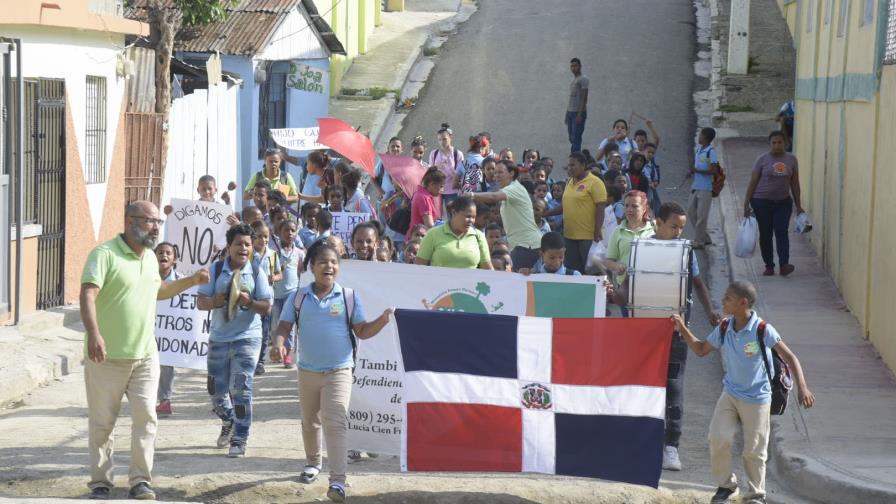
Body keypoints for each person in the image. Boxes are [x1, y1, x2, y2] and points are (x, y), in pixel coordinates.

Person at [80, 201, 208, 500]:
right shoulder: (104, 254)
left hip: (145, 356)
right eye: (149, 221)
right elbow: (88, 293)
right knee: (102, 424)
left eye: (158, 222)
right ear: (129, 221)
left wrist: (191, 281)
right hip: (106, 357)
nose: (155, 227)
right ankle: (101, 481)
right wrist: (93, 333)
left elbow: (158, 291)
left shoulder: (150, 258)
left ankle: (140, 480)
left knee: (147, 417)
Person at [271, 241, 393, 503]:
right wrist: (278, 344)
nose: (329, 266)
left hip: (340, 370)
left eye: (334, 262)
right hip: (308, 371)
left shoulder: (348, 297)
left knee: (335, 422)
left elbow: (362, 331)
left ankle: (338, 481)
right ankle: (312, 463)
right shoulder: (299, 296)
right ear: (311, 267)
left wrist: (382, 321)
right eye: (323, 262)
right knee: (310, 421)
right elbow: (283, 327)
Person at [672, 280, 815, 504]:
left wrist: (803, 387)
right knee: (718, 437)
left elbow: (790, 357)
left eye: (728, 298)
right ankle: (726, 487)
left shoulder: (762, 330)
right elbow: (700, 349)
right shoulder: (724, 327)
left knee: (754, 450)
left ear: (742, 302)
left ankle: (755, 494)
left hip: (758, 398)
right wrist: (683, 329)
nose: (723, 301)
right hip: (730, 393)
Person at [651, 202, 722, 471]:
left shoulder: (685, 251)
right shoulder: (642, 248)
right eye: (674, 226)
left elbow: (697, 283)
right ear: (658, 223)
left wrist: (711, 310)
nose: (679, 232)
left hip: (677, 333)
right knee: (646, 389)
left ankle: (671, 447)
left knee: (674, 388)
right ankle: (647, 442)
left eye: (682, 227)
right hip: (645, 335)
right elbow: (627, 290)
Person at [196, 224, 272, 458]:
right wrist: (218, 300)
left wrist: (248, 302)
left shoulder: (258, 271)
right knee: (216, 391)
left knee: (241, 388)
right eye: (239, 244)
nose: (244, 248)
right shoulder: (216, 269)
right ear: (229, 247)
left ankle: (240, 437)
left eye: (248, 244)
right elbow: (201, 302)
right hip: (219, 337)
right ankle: (228, 419)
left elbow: (267, 308)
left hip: (247, 338)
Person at [743, 131, 804, 277]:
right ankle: (769, 266)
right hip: (761, 202)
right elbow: (753, 182)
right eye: (774, 143)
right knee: (766, 234)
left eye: (780, 142)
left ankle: (784, 265)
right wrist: (746, 204)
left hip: (783, 203)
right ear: (770, 144)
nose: (777, 145)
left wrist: (799, 205)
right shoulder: (762, 160)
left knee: (782, 232)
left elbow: (795, 183)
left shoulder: (792, 160)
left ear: (785, 143)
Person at [468, 160, 543, 270]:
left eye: (500, 172)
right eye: (495, 173)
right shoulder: (510, 190)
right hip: (520, 245)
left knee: (519, 283)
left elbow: (494, 197)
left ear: (512, 173)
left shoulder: (514, 188)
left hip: (527, 245)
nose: (496, 176)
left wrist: (471, 195)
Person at [541, 152, 608, 273]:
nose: (570, 168)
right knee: (574, 272)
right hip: (569, 236)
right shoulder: (570, 182)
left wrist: (597, 231)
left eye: (573, 165)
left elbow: (601, 208)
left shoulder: (595, 182)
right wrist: (545, 213)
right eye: (568, 165)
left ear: (583, 165)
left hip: (588, 236)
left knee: (591, 272)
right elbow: (564, 206)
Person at [604, 191, 656, 316]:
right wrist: (617, 267)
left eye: (634, 206)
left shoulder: (654, 228)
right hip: (626, 288)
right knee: (629, 327)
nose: (629, 209)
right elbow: (608, 261)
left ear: (645, 208)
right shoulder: (618, 231)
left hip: (651, 287)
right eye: (627, 206)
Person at [415, 196, 493, 270]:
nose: (471, 221)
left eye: (473, 217)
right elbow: (419, 266)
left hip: (470, 284)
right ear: (454, 212)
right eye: (468, 216)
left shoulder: (478, 236)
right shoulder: (433, 234)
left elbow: (487, 268)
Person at [272, 220, 305, 368]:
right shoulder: (273, 252)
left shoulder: (299, 252)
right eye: (286, 230)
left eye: (293, 230)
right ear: (279, 233)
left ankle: (288, 355)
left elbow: (302, 271)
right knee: (275, 325)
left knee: (289, 325)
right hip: (275, 294)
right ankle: (278, 349)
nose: (290, 233)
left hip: (291, 293)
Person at [251, 220, 282, 376]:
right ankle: (251, 359)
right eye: (259, 237)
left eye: (266, 237)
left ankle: (260, 362)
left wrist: (274, 278)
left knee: (264, 332)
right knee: (251, 332)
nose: (263, 240)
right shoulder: (249, 255)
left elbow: (279, 273)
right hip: (251, 299)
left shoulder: (272, 255)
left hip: (267, 299)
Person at [154, 242, 179, 418]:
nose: (164, 255)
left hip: (169, 332)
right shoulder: (145, 278)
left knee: (166, 365)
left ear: (174, 259)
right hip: (147, 329)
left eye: (168, 253)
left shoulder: (182, 282)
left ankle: (164, 400)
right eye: (160, 252)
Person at [687, 127, 720, 249]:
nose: (698, 137)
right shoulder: (699, 150)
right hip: (696, 186)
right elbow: (697, 167)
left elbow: (714, 170)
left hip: (706, 188)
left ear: (705, 137)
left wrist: (697, 171)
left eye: (700, 135)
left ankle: (699, 241)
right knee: (691, 212)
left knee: (701, 216)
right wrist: (692, 172)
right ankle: (705, 237)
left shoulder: (710, 151)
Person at [429, 123, 466, 204]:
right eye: (439, 140)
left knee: (452, 215)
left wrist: (449, 166)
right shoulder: (434, 154)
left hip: (452, 191)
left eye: (444, 139)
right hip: (436, 190)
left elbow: (461, 175)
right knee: (436, 215)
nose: (442, 142)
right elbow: (430, 173)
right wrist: (436, 168)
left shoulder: (457, 154)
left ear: (450, 137)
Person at [408, 168, 446, 237]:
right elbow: (429, 225)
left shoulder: (420, 194)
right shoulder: (424, 198)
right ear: (432, 184)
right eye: (441, 187)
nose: (442, 190)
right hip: (419, 238)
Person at [565, 57, 589, 153]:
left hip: (578, 113)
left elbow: (584, 98)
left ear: (580, 66)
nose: (573, 68)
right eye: (571, 66)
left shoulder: (584, 79)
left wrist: (579, 114)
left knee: (576, 138)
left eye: (575, 66)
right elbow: (571, 98)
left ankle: (575, 160)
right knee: (571, 137)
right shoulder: (573, 80)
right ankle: (575, 157)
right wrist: (567, 114)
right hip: (570, 112)